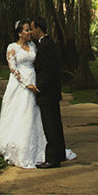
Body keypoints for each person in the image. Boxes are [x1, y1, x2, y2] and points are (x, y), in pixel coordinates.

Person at [0, 19, 46, 168]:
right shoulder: (12, 47)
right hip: (20, 83)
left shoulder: (33, 46)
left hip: (33, 79)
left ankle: (38, 146)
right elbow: (13, 68)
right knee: (20, 112)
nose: (30, 32)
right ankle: (17, 146)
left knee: (33, 112)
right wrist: (25, 83)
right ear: (19, 33)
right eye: (26, 30)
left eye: (30, 30)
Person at [31, 16, 74, 168]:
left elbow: (48, 70)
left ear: (38, 28)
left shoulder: (44, 46)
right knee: (56, 124)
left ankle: (52, 159)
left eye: (32, 28)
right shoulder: (49, 43)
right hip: (53, 93)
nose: (31, 32)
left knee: (50, 127)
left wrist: (39, 87)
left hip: (47, 93)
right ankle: (60, 154)